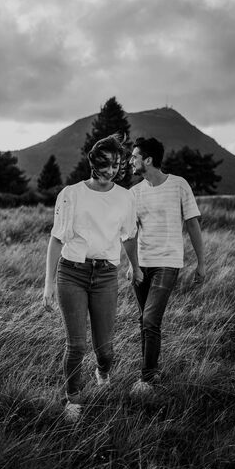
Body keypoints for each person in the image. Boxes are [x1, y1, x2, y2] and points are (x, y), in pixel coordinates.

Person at [43, 134, 141, 422]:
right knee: (76, 345)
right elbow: (56, 239)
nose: (111, 170)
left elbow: (129, 236)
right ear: (94, 162)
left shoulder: (125, 197)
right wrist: (48, 284)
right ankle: (72, 399)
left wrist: (134, 266)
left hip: (106, 276)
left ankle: (103, 372)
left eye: (117, 164)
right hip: (72, 273)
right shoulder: (71, 194)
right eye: (106, 164)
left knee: (106, 349)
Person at [124, 137, 205, 396]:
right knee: (145, 321)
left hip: (168, 263)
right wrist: (132, 265)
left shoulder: (179, 185)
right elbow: (130, 233)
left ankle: (146, 380)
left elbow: (193, 224)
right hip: (142, 265)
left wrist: (201, 263)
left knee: (150, 318)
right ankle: (152, 370)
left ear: (148, 160)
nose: (130, 161)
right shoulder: (133, 193)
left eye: (134, 157)